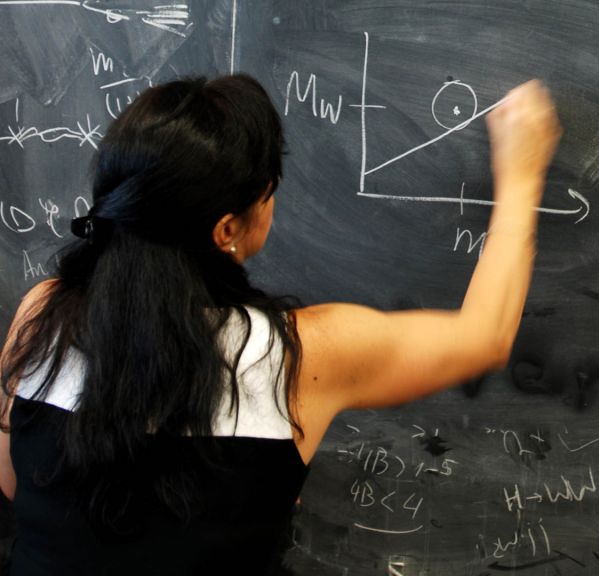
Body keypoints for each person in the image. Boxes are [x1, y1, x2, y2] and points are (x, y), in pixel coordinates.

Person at [0, 74, 561, 575]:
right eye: (268, 192)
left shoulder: (45, 313)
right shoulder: (300, 358)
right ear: (226, 230)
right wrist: (521, 176)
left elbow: (13, 483)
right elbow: (484, 337)